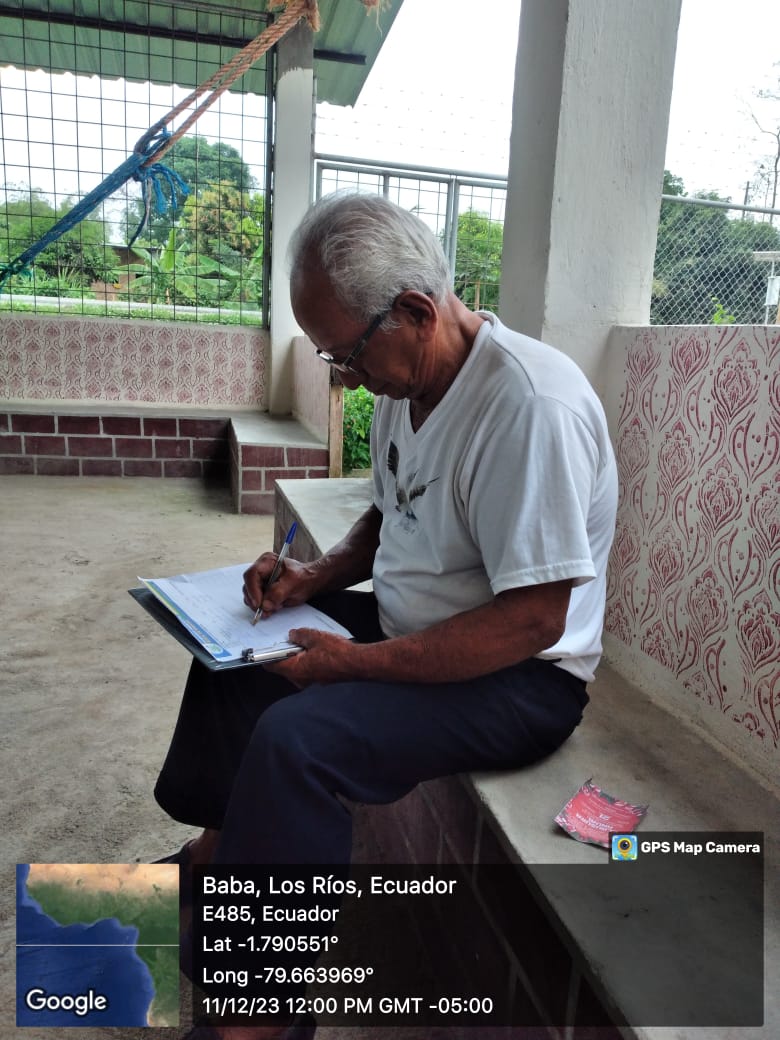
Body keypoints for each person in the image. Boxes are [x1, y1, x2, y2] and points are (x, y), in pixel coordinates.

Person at [154, 192, 618, 1039]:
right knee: (234, 653)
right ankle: (214, 863)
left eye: (343, 353)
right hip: (416, 628)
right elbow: (389, 508)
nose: (341, 376)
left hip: (520, 679)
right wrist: (312, 577)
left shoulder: (529, 409)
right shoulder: (408, 379)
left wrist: (352, 666)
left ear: (414, 311)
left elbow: (534, 621)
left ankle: (258, 1020)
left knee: (300, 743)